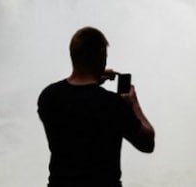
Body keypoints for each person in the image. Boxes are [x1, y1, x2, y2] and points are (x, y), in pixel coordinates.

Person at [37, 26, 155, 187]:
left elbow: (76, 103)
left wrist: (93, 80)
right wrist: (134, 105)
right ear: (101, 55)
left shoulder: (48, 97)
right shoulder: (112, 104)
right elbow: (147, 143)